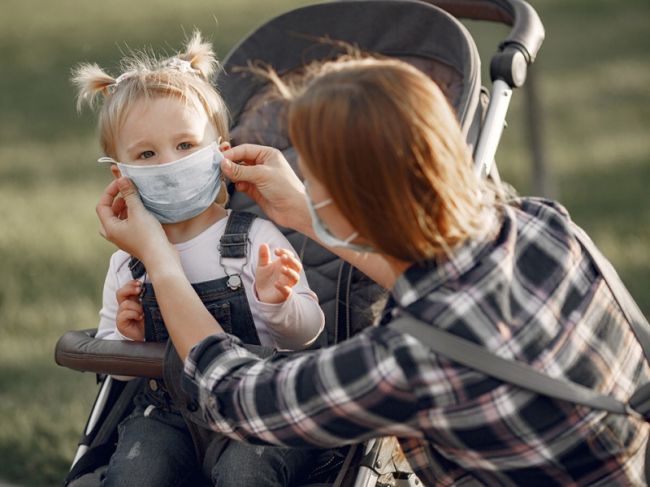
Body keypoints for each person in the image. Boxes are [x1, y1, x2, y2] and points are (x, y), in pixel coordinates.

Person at [95, 56, 649, 485]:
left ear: (356, 199)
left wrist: (160, 261)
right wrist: (312, 218)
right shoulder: (541, 224)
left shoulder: (407, 359)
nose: (302, 184)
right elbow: (447, 292)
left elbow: (236, 393)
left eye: (312, 177)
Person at [73, 31, 325, 487]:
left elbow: (307, 334)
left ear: (220, 152)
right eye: (146, 154)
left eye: (186, 146)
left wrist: (278, 305)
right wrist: (128, 341)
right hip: (165, 416)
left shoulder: (253, 240)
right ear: (121, 174)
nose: (168, 162)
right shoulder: (127, 261)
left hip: (259, 410)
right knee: (136, 471)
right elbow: (113, 366)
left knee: (245, 472)